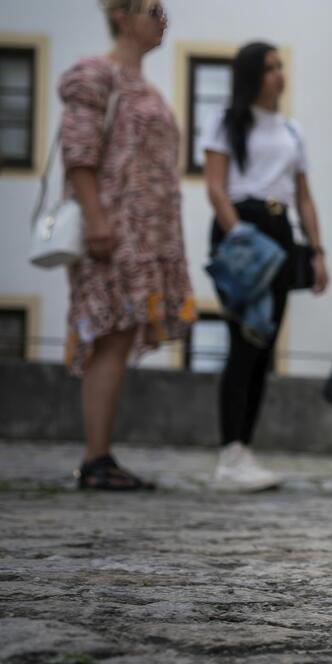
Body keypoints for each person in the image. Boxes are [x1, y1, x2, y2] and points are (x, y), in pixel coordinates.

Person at [63, 0, 196, 490]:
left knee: (118, 337)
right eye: (153, 10)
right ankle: (95, 459)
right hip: (113, 233)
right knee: (110, 335)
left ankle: (101, 456)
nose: (162, 19)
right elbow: (78, 150)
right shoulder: (97, 74)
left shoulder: (142, 85)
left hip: (144, 236)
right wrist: (98, 220)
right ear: (122, 16)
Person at [201, 42, 328, 492]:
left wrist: (316, 251)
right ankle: (229, 453)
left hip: (280, 234)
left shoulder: (292, 131)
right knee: (243, 341)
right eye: (269, 67)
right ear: (252, 75)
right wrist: (239, 237)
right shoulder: (226, 122)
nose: (278, 74)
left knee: (263, 346)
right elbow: (215, 188)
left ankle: (243, 450)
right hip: (242, 231)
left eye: (280, 66)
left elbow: (305, 197)